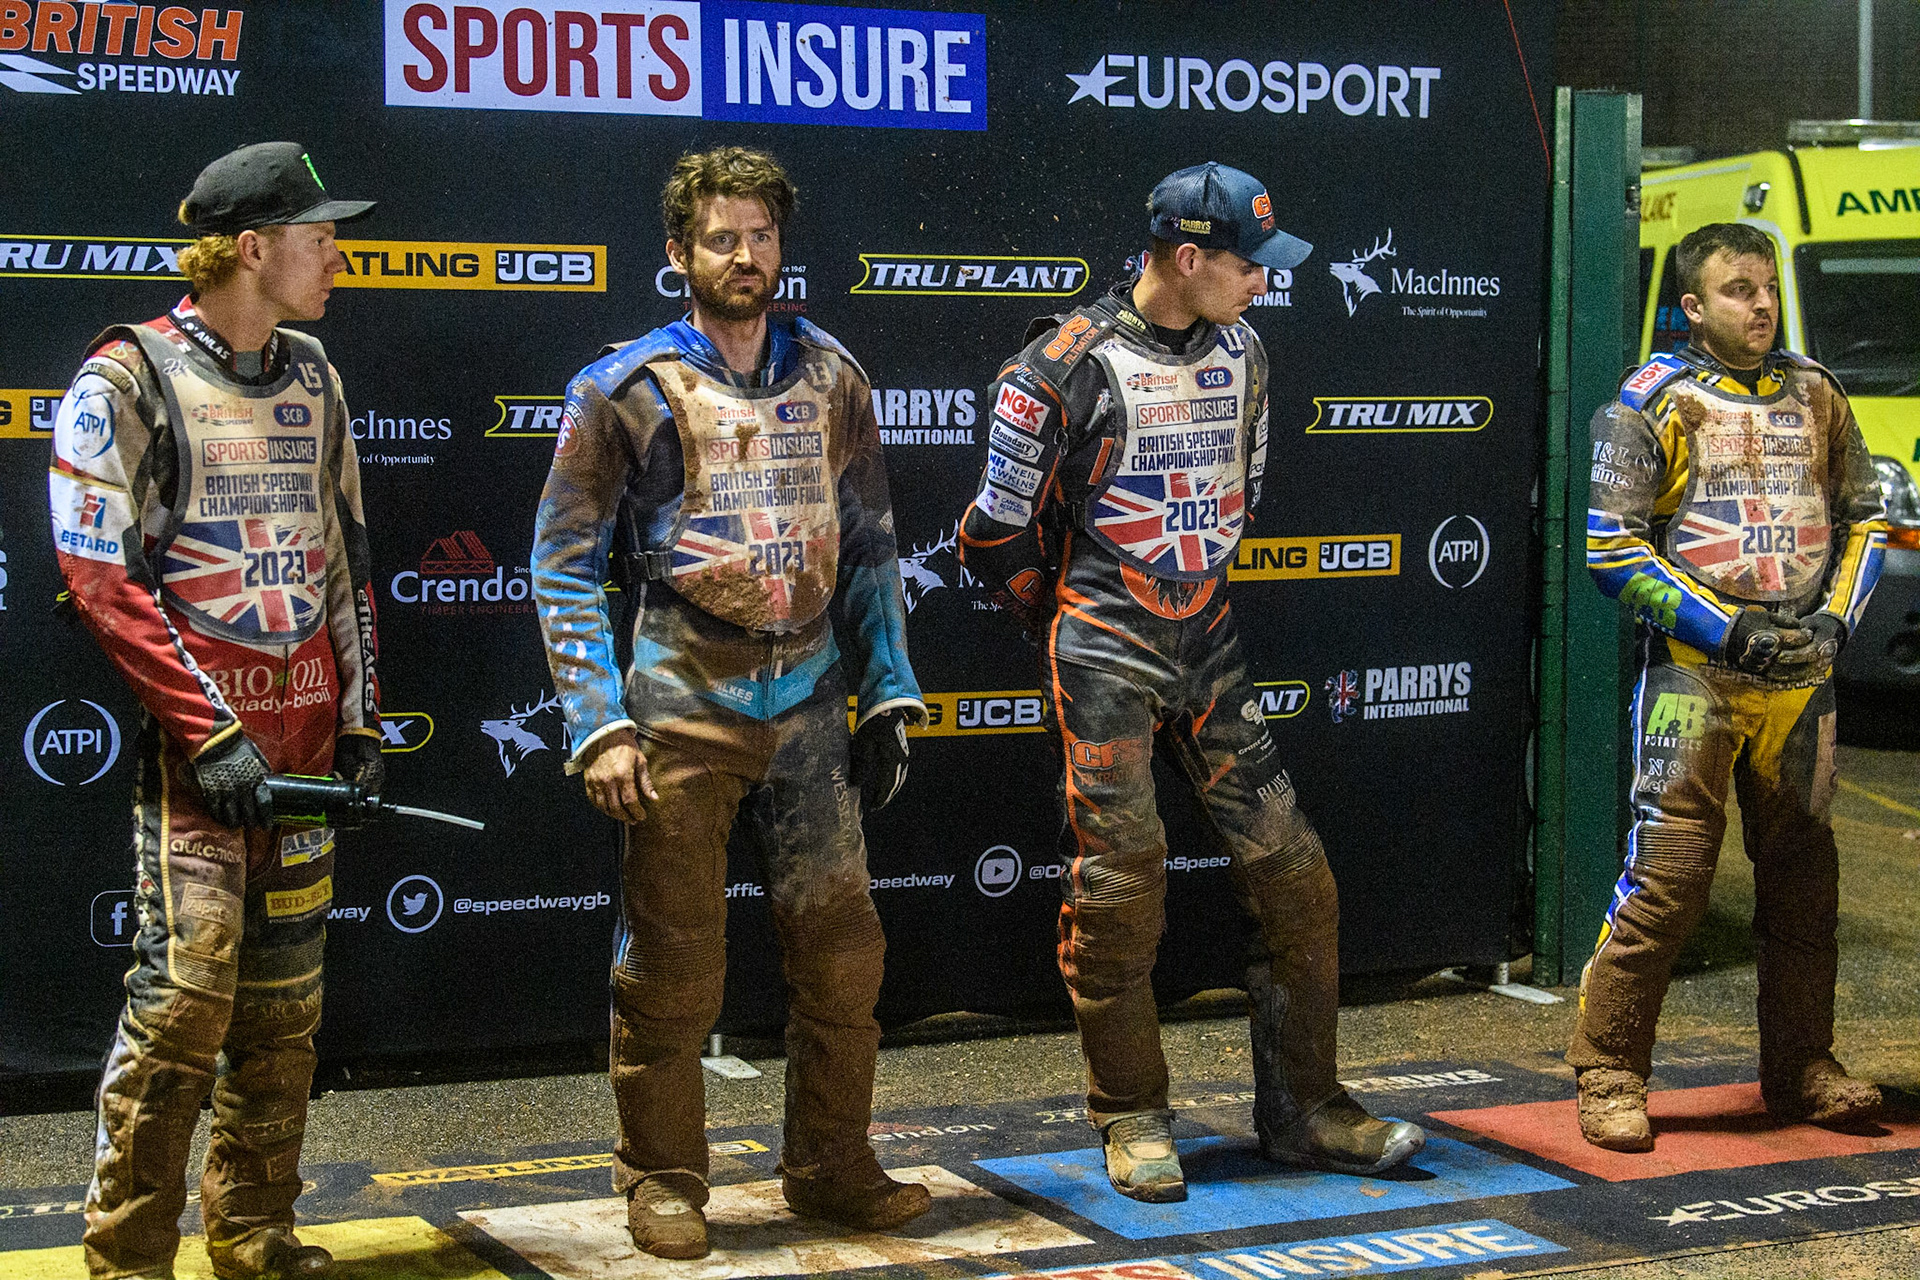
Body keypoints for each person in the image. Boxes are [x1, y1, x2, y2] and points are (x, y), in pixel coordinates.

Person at [959, 162, 1426, 1203]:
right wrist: (1070, 620)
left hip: (1209, 644)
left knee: (1296, 873)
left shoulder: (1246, 350)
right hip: (1104, 653)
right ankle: (1132, 1116)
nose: (1264, 281)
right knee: (1122, 885)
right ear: (1186, 257)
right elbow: (989, 533)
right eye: (1249, 264)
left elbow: (1241, 495)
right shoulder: (1058, 366)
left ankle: (1307, 1110)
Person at [531, 146, 928, 1259]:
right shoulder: (624, 388)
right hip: (679, 706)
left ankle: (833, 1166)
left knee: (843, 953)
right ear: (679, 253)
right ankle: (662, 1178)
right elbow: (562, 562)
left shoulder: (834, 376)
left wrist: (889, 690)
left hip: (809, 699)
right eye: (720, 238)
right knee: (671, 965)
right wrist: (597, 721)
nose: (744, 255)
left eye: (760, 235)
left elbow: (872, 543)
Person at [51, 142, 382, 1280]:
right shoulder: (125, 376)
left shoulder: (316, 376)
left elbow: (345, 556)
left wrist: (363, 718)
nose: (338, 256)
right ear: (251, 248)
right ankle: (129, 1254)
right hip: (199, 759)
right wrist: (210, 734)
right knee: (185, 1001)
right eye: (320, 237)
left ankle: (254, 1230)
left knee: (284, 1009)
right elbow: (99, 576)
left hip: (304, 740)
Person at [1573, 222, 1888, 1151]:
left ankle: (1803, 1066)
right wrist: (1730, 628)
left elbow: (1866, 520)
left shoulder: (1818, 392)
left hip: (1802, 681)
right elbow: (1610, 550)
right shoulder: (1649, 402)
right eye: (1738, 290)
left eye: (1768, 288)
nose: (1761, 305)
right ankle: (1609, 1070)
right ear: (1692, 307)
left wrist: (1835, 623)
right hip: (1693, 676)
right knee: (1668, 878)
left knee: (1805, 882)